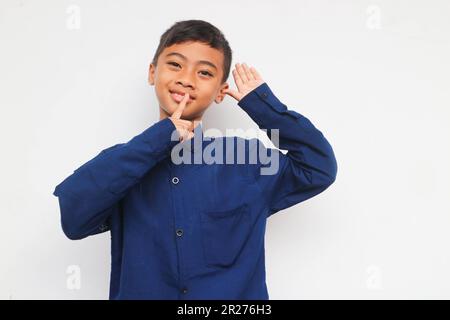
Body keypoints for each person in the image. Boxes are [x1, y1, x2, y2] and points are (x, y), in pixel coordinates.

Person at [53, 19, 338, 300]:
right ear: (153, 73)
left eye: (204, 73)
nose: (186, 79)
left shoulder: (246, 161)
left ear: (220, 92)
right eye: (175, 65)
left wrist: (263, 106)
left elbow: (318, 167)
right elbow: (74, 218)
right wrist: (158, 139)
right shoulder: (121, 165)